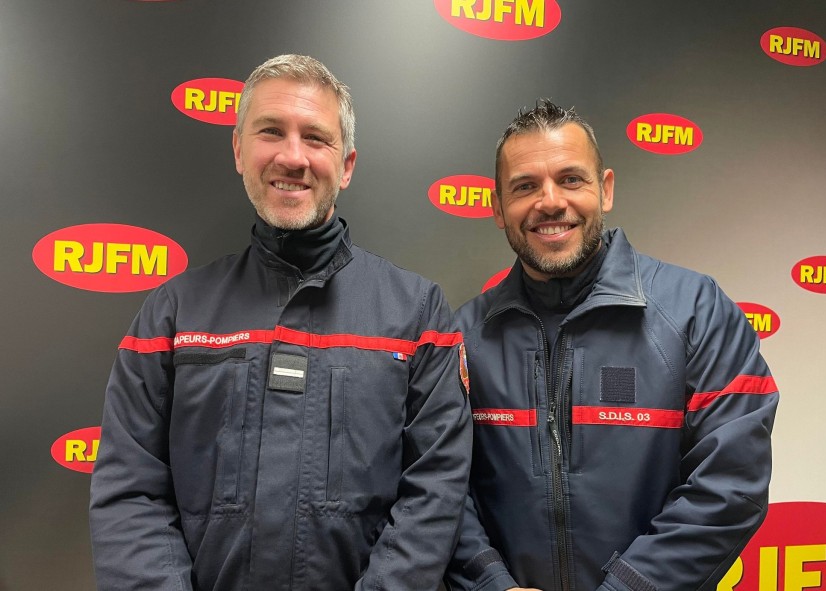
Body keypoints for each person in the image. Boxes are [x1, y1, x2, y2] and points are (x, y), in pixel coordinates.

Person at [90, 54, 472, 591]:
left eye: (315, 138)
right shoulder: (171, 314)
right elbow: (130, 491)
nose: (292, 157)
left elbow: (435, 491)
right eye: (271, 132)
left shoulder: (417, 314)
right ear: (238, 150)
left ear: (347, 165)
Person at [444, 99, 778, 591]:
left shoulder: (696, 310)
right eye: (525, 186)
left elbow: (731, 483)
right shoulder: (462, 336)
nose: (550, 202)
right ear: (497, 208)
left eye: (571, 179)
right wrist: (491, 583)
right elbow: (439, 485)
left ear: (605, 190)